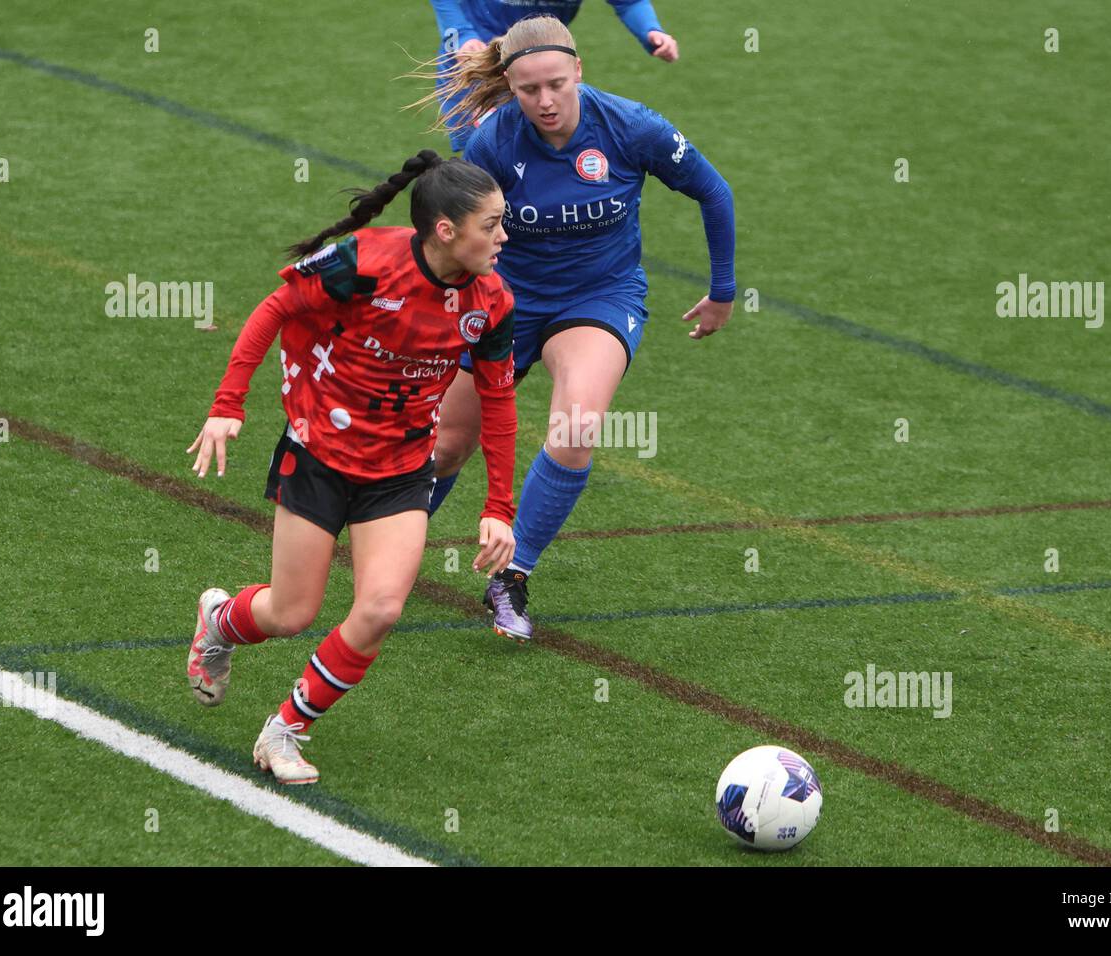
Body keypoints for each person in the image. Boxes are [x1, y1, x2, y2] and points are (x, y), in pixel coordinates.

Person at [184, 150, 518, 784]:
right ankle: (219, 622)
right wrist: (228, 404)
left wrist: (498, 507)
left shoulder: (493, 302)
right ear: (445, 230)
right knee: (290, 613)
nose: (505, 236)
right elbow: (275, 309)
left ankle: (284, 731)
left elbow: (498, 402)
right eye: (493, 224)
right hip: (319, 455)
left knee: (382, 609)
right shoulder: (365, 262)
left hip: (399, 471)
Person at [420, 15, 735, 642]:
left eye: (556, 85)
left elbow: (714, 190)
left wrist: (722, 290)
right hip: (507, 301)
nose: (545, 101)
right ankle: (390, 539)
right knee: (447, 446)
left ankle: (511, 576)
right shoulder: (492, 146)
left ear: (579, 72)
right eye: (529, 89)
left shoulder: (630, 126)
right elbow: (457, 240)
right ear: (510, 86)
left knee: (575, 427)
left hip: (599, 297)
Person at [427, 0, 679, 152]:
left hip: (544, 74)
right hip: (480, 66)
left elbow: (628, 2)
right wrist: (461, 34)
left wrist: (650, 30)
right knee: (484, 170)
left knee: (544, 160)